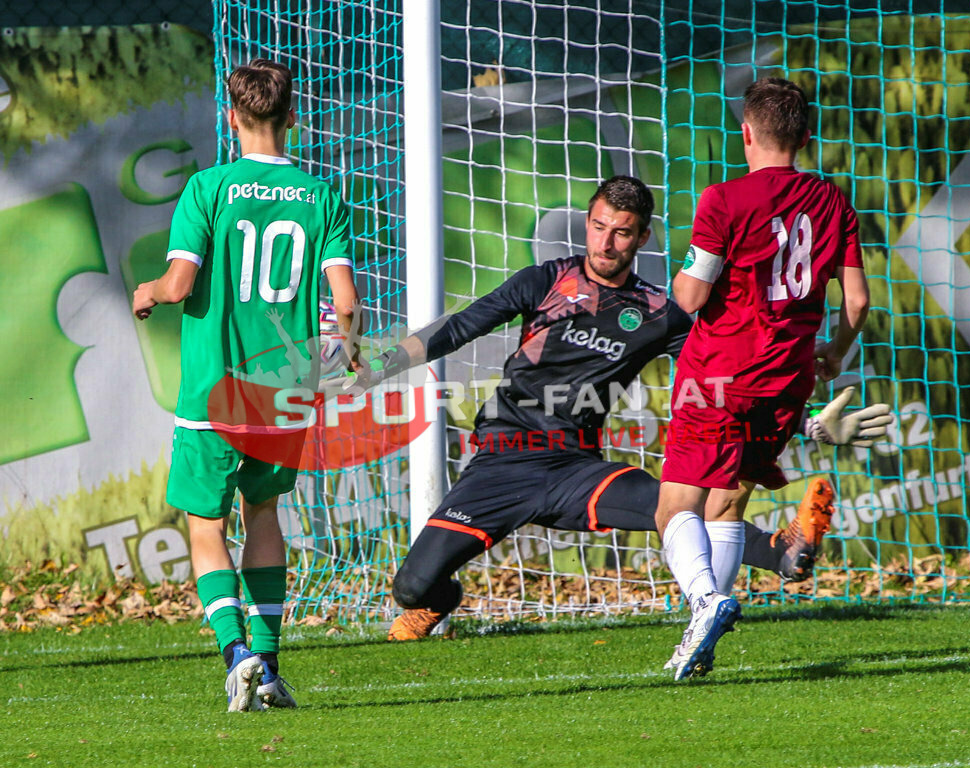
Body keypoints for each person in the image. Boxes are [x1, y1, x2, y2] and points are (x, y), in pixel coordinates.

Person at [341, 175, 886, 650]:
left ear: (641, 237)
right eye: (599, 226)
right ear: (587, 223)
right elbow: (460, 327)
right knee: (412, 587)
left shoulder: (661, 314)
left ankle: (782, 550)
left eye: (621, 231)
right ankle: (439, 601)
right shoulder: (545, 280)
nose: (606, 241)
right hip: (502, 462)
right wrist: (379, 365)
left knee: (675, 510)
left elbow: (727, 381)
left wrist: (810, 421)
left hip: (576, 468)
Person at [132, 59, 359, 712]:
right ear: (292, 118)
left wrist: (148, 292)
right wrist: (347, 350)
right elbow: (345, 304)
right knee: (265, 515)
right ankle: (271, 665)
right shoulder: (323, 198)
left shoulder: (208, 189)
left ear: (232, 116)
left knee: (205, 525)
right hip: (282, 394)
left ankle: (238, 656)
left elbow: (177, 286)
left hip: (212, 392)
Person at [656, 77, 870, 680]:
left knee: (675, 507)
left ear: (745, 133)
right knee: (728, 502)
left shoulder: (723, 200)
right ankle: (703, 643)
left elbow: (694, 295)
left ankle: (706, 603)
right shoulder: (834, 202)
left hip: (720, 372)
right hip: (788, 378)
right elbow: (857, 303)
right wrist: (835, 351)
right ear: (805, 137)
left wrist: (680, 280)